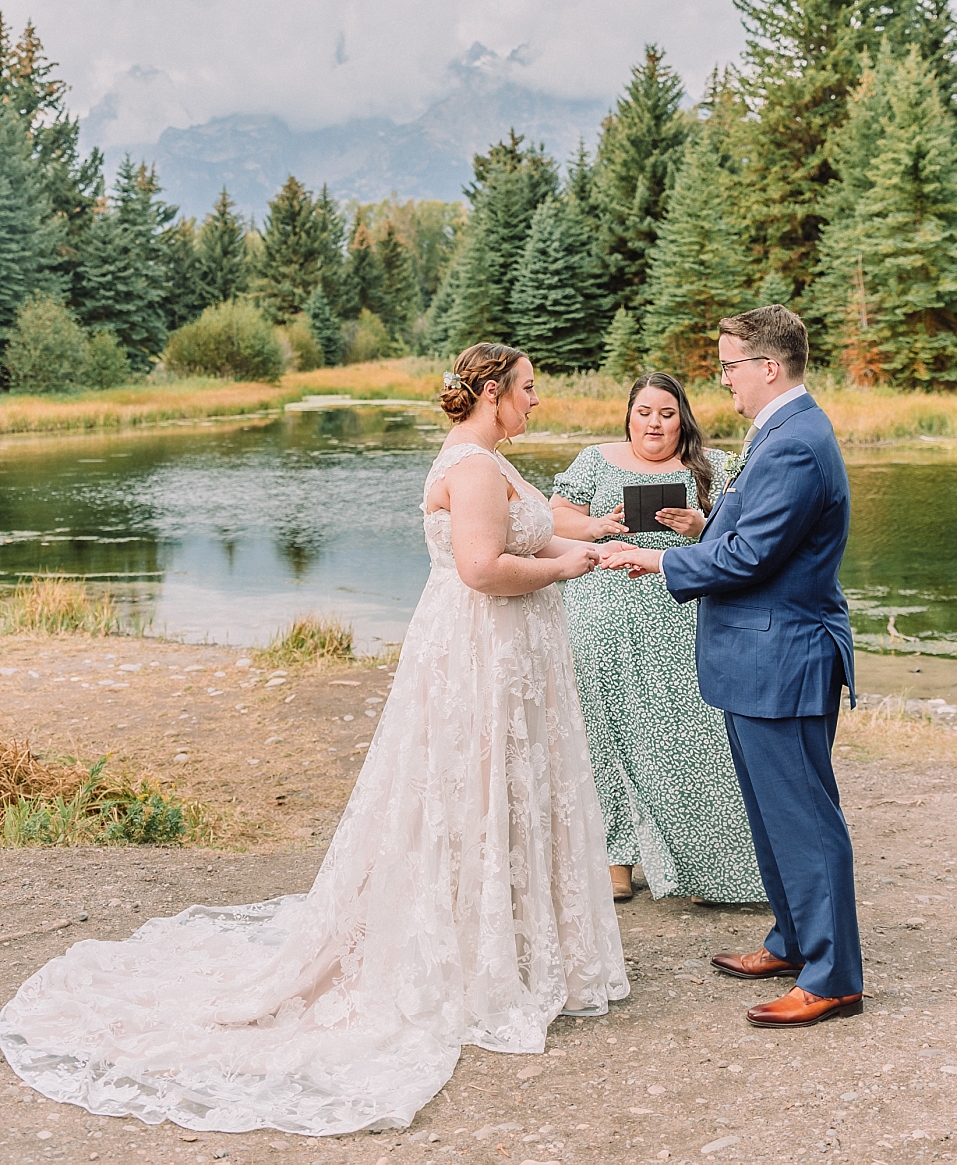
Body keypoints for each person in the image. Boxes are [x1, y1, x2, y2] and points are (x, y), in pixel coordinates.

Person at [0, 344, 628, 1134]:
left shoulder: (487, 459)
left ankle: (501, 947)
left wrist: (596, 551)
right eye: (530, 389)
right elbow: (482, 568)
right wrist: (570, 572)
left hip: (501, 652)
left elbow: (531, 543)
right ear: (494, 392)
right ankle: (469, 963)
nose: (539, 401)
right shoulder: (472, 467)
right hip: (483, 654)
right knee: (469, 793)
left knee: (490, 794)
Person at [602, 306, 862, 1028]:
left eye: (729, 367)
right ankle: (793, 942)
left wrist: (657, 559)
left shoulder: (796, 443)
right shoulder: (783, 431)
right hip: (757, 656)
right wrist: (702, 526)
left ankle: (834, 975)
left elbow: (752, 558)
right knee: (771, 816)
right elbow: (749, 531)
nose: (723, 381)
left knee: (805, 820)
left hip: (783, 655)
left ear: (767, 368)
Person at [551, 373, 763, 907]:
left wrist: (698, 525)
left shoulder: (712, 466)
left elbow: (744, 536)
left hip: (680, 619)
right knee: (603, 737)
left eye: (667, 413)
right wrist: (601, 525)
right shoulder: (594, 460)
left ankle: (704, 864)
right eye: (645, 411)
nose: (655, 423)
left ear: (682, 417)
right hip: (599, 616)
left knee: (688, 739)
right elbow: (553, 520)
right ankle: (614, 860)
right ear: (629, 414)